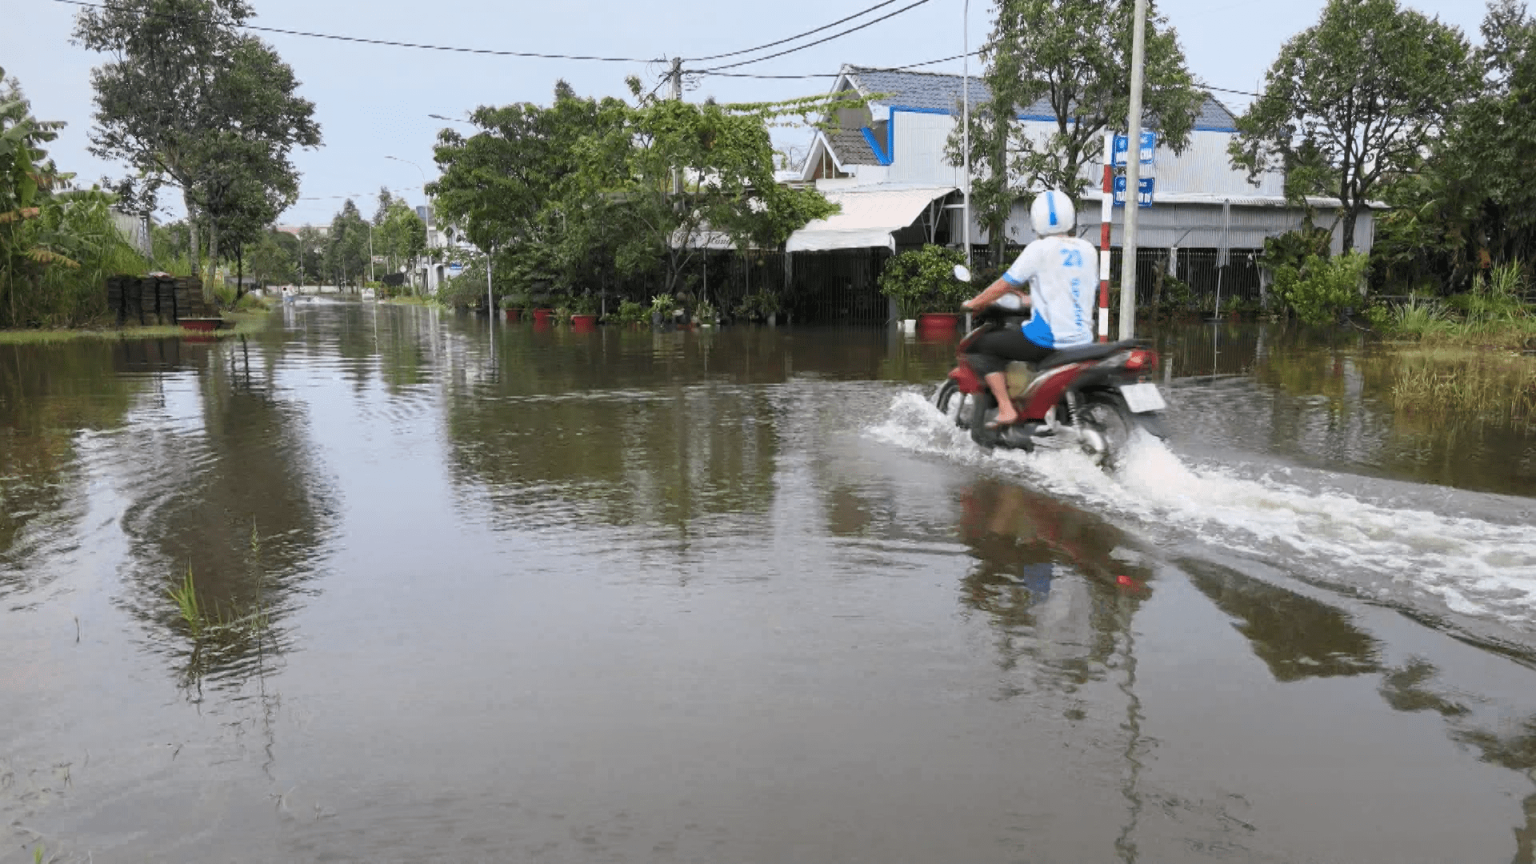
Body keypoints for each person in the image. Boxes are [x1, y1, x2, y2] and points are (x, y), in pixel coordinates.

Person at [962, 189, 1098, 427]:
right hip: (1084, 341)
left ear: (1036, 220)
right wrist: (1028, 301)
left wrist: (974, 303)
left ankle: (1006, 410)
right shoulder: (1088, 250)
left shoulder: (1038, 249)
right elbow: (1068, 289)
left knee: (979, 347)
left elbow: (1002, 285)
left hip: (1048, 342)